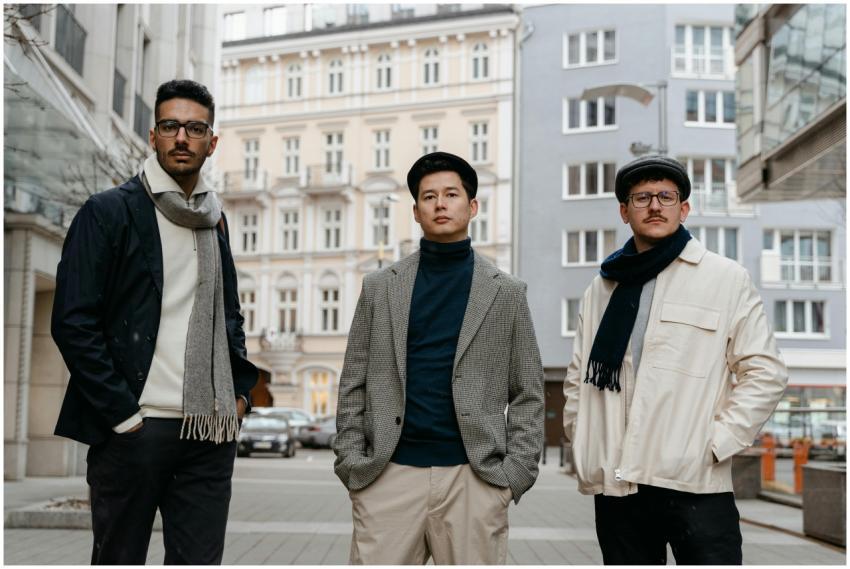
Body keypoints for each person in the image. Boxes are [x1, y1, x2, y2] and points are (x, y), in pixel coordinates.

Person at [52, 79, 257, 565]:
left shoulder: (215, 219)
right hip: (135, 430)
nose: (181, 137)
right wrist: (123, 417)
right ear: (153, 135)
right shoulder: (109, 212)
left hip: (209, 431)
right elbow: (73, 321)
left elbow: (230, 313)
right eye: (170, 126)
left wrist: (239, 397)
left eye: (194, 127)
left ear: (212, 141)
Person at [563, 155, 788, 565]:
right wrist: (583, 443)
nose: (655, 205)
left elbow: (765, 372)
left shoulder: (724, 277)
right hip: (618, 486)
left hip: (695, 484)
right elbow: (579, 377)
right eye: (642, 196)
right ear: (624, 211)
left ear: (684, 209)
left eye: (666, 196)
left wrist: (716, 444)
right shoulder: (603, 286)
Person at [333, 151, 545, 564]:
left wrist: (512, 477)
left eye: (451, 194)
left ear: (473, 206)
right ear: (415, 211)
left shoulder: (506, 293)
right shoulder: (380, 287)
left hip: (475, 479)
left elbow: (529, 392)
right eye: (429, 197)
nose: (441, 204)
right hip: (388, 478)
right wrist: (353, 465)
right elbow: (352, 381)